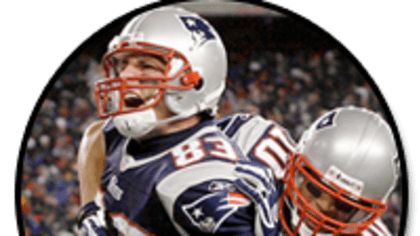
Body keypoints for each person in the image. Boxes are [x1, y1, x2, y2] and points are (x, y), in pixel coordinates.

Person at [77, 6, 278, 236]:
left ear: (194, 83)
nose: (124, 76)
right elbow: (95, 137)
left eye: (146, 66)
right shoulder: (129, 134)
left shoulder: (200, 184)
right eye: (123, 64)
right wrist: (90, 210)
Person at [223, 107, 400, 235]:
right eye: (315, 189)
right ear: (294, 160)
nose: (322, 207)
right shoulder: (253, 145)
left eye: (343, 206)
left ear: (367, 212)